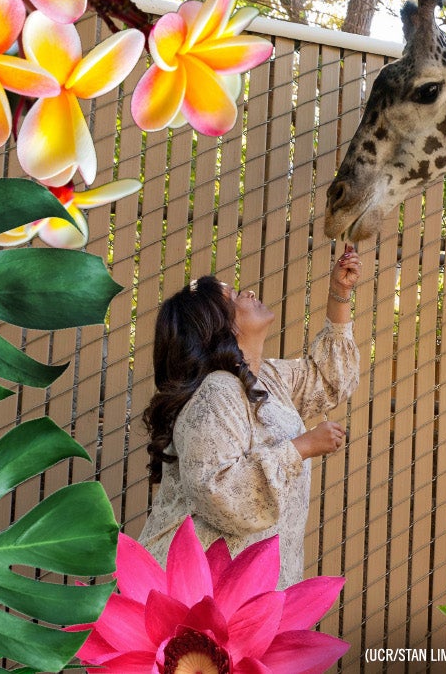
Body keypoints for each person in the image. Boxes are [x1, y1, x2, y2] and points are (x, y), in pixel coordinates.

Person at [138, 248, 364, 587]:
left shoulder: (267, 378)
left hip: (245, 585)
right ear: (217, 326)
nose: (250, 293)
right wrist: (299, 448)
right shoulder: (215, 393)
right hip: (196, 591)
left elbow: (328, 379)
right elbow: (219, 492)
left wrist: (340, 294)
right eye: (233, 297)